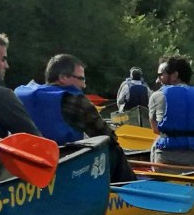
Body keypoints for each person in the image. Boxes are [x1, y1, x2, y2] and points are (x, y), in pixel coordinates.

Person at [15, 54, 135, 182]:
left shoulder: (19, 94)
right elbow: (108, 136)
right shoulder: (75, 100)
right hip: (63, 166)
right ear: (62, 78)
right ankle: (126, 192)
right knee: (114, 150)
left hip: (25, 164)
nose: (83, 85)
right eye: (81, 79)